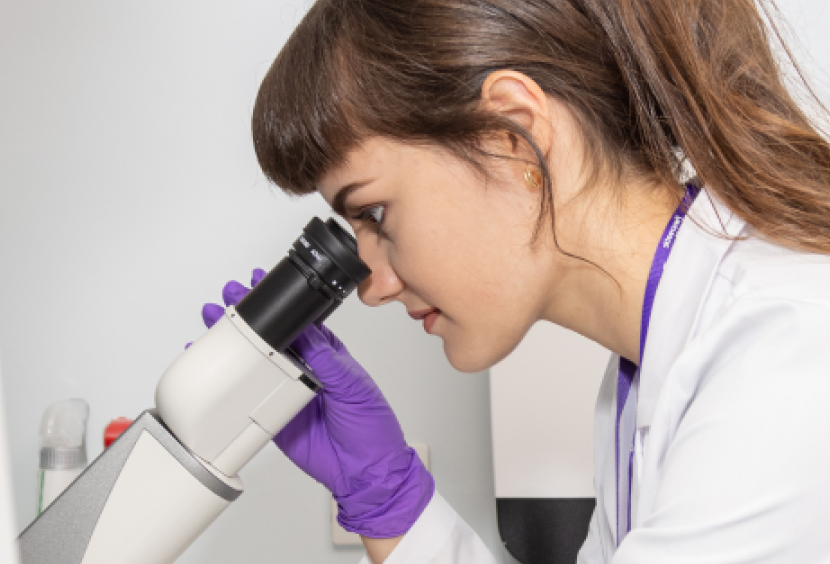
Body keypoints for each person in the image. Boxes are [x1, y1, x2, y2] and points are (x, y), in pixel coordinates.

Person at [205, 0, 830, 562]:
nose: (373, 286)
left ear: (514, 137)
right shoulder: (637, 384)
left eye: (373, 214)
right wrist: (389, 500)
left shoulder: (784, 351)